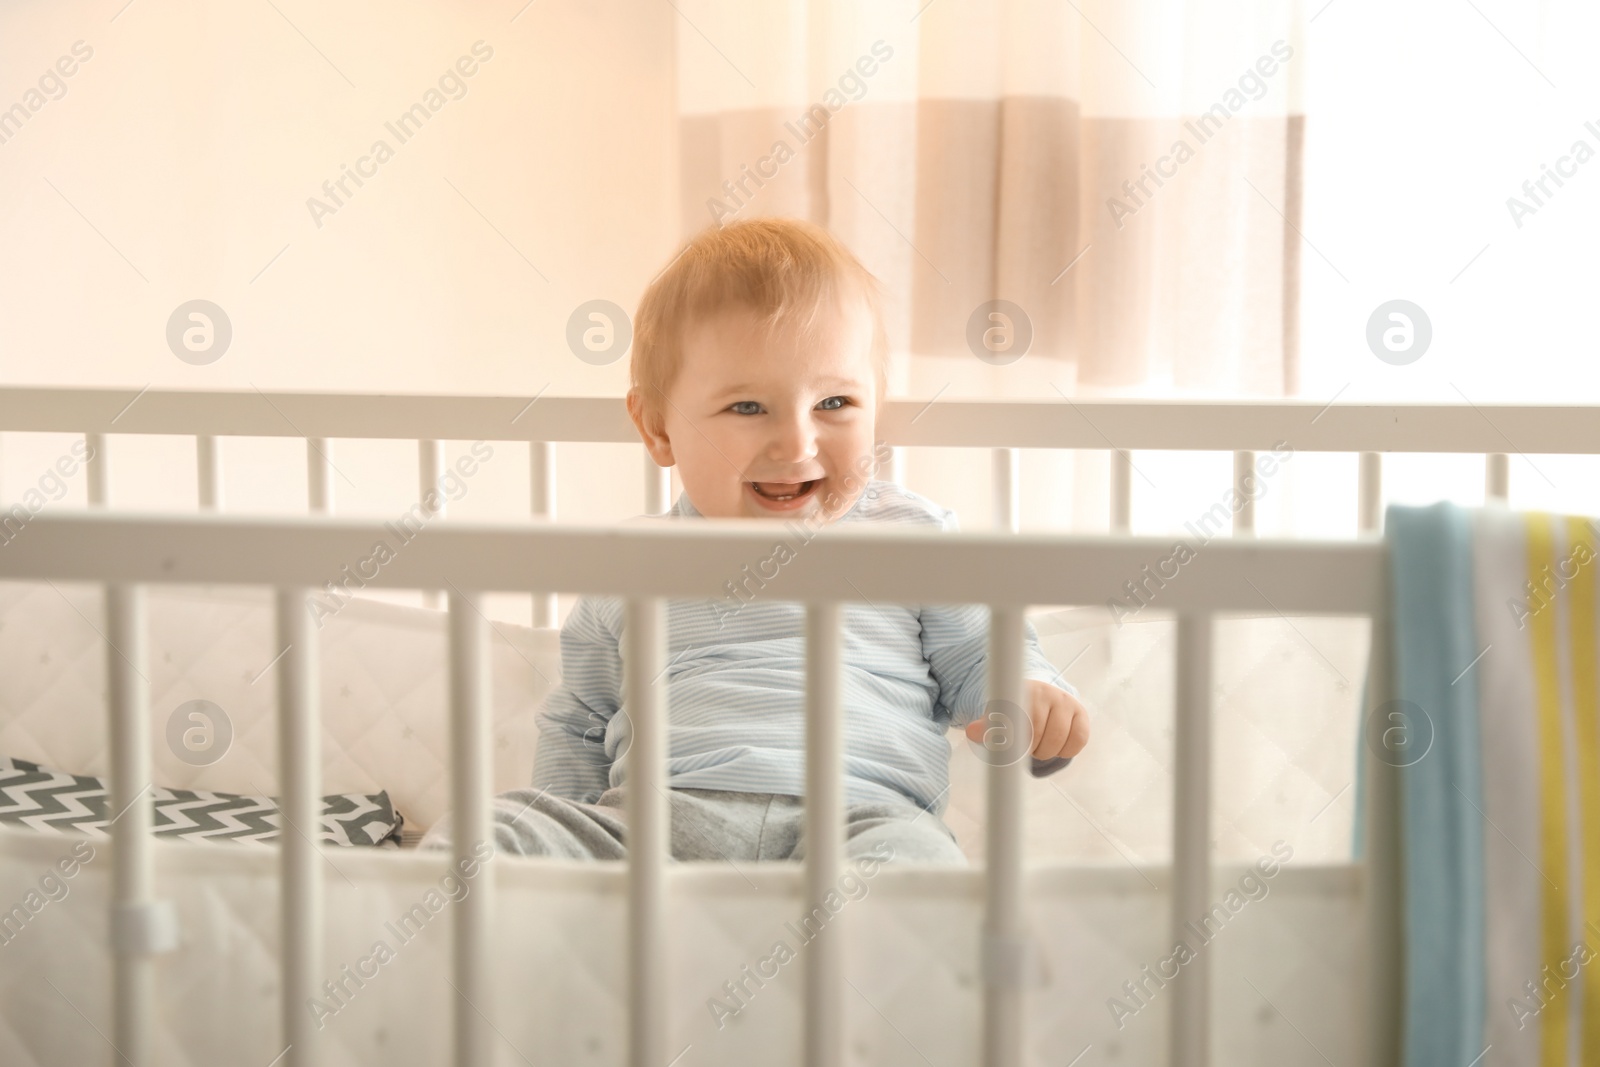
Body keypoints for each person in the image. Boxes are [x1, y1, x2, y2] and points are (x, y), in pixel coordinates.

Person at [423, 217, 1089, 864]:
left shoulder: (911, 541)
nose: (797, 442)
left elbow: (979, 651)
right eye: (747, 407)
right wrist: (562, 856)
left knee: (919, 877)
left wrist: (1025, 693)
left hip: (864, 820)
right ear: (656, 427)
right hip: (652, 822)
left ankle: (857, 969)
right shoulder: (633, 563)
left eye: (835, 404)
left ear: (876, 406)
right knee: (486, 835)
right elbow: (579, 721)